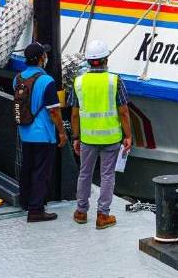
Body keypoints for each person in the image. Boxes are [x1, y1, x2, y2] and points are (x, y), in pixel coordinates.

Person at [70, 39, 132, 229]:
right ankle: (103, 216)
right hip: (111, 138)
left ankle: (81, 212)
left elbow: (74, 113)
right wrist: (128, 136)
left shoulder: (79, 82)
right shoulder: (115, 81)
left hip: (88, 138)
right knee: (107, 176)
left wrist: (76, 137)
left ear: (88, 61)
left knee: (84, 174)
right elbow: (123, 111)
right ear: (106, 59)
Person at [16, 41, 67, 223]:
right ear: (40, 59)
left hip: (24, 131)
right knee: (41, 172)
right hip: (43, 134)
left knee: (27, 168)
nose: (46, 57)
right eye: (44, 54)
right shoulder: (47, 81)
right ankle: (36, 210)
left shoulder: (18, 78)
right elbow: (54, 110)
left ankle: (25, 201)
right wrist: (62, 132)